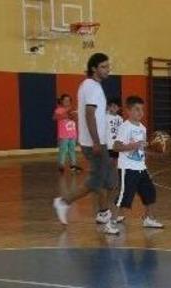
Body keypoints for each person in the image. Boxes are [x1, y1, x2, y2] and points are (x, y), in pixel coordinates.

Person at [53, 52, 119, 235]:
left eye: (108, 66)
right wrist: (97, 142)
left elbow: (90, 113)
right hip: (95, 143)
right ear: (94, 69)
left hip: (98, 141)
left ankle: (101, 214)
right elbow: (90, 114)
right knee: (97, 182)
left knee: (109, 181)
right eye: (104, 66)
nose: (108, 69)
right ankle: (64, 202)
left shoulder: (89, 86)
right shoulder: (93, 87)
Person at [111, 96, 163, 229]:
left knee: (150, 193)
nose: (140, 112)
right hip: (127, 169)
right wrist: (134, 145)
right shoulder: (125, 127)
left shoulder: (143, 128)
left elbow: (142, 149)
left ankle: (148, 219)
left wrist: (154, 152)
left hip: (141, 168)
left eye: (142, 110)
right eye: (136, 109)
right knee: (123, 197)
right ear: (128, 111)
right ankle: (110, 223)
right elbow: (116, 147)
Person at [53, 94, 80, 173]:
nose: (67, 102)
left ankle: (73, 164)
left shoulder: (72, 110)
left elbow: (76, 119)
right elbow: (55, 117)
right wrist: (65, 115)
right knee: (63, 150)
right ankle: (61, 164)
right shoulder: (59, 110)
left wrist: (74, 116)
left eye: (68, 100)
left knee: (72, 149)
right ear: (61, 101)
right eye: (65, 100)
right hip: (64, 134)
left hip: (72, 134)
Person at [106, 97, 123, 162]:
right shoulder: (105, 117)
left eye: (116, 106)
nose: (115, 108)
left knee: (116, 163)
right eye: (113, 106)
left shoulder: (120, 119)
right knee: (108, 162)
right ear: (109, 107)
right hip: (108, 145)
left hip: (117, 145)